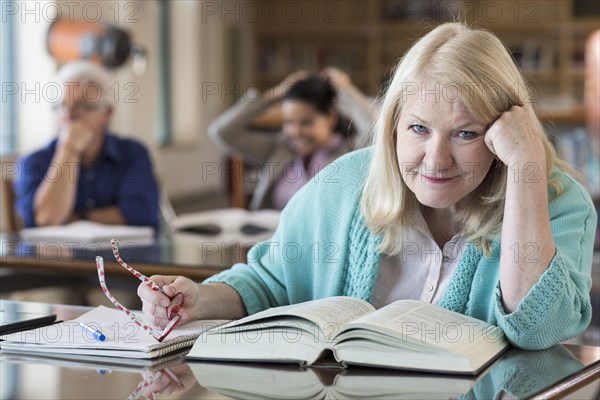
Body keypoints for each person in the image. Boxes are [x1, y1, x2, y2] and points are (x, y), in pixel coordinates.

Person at [139, 23, 597, 349]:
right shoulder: (342, 182)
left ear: (502, 134)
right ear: (393, 126)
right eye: (418, 129)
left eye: (465, 133)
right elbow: (269, 281)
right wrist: (200, 299)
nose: (435, 160)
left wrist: (526, 169)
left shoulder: (559, 201)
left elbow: (538, 330)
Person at [13, 61, 160, 230]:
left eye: (82, 106)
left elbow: (141, 213)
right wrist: (69, 149)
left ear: (107, 112)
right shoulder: (33, 162)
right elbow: (47, 219)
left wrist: (78, 218)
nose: (69, 116)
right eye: (62, 106)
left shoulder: (133, 154)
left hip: (120, 255)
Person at [209, 67, 376, 210]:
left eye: (306, 122)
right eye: (288, 122)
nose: (295, 132)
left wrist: (346, 91)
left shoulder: (353, 151)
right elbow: (222, 132)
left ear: (331, 118)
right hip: (273, 240)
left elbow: (378, 132)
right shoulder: (278, 149)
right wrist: (274, 94)